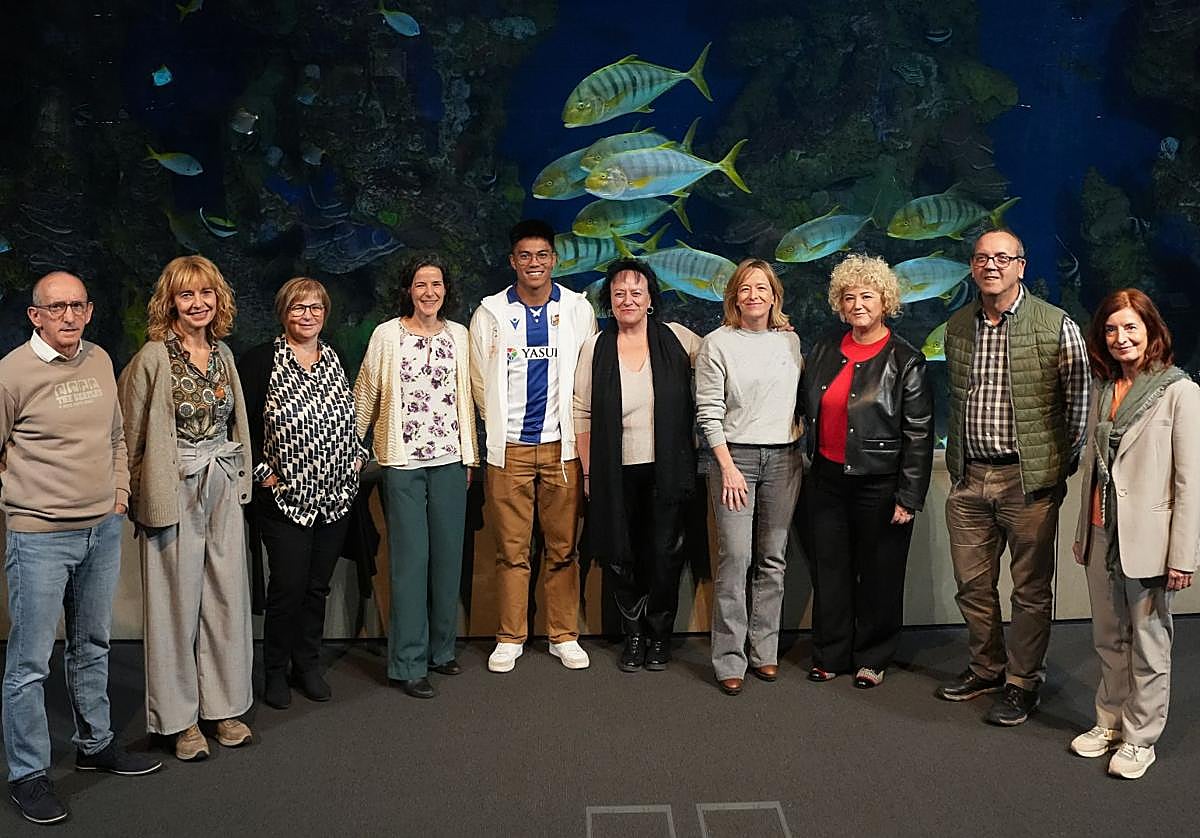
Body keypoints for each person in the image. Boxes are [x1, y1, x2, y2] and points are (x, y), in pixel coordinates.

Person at [1, 273, 162, 824]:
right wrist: (27, 501)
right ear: (35, 316)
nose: (68, 316)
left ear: (89, 311)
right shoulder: (11, 374)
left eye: (77, 305)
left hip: (101, 529)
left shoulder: (97, 360)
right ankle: (28, 773)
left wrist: (118, 494)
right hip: (40, 537)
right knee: (28, 663)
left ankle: (96, 745)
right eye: (56, 307)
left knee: (93, 642)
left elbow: (116, 436)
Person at [936, 228, 1089, 725]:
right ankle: (986, 668)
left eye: (1002, 257)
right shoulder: (958, 326)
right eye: (982, 258)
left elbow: (1078, 405)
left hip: (1028, 483)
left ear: (1021, 265)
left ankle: (1023, 682)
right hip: (970, 481)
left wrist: (1056, 467)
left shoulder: (1055, 324)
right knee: (972, 586)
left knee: (1029, 590)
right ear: (972, 267)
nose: (991, 266)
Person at [118, 255, 254, 760]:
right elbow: (128, 433)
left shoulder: (223, 354)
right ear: (170, 302)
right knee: (176, 606)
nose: (198, 304)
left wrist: (242, 479)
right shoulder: (154, 356)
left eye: (206, 294)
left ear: (218, 299)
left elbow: (236, 423)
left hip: (221, 483)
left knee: (224, 598)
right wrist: (133, 492)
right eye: (186, 295)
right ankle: (179, 721)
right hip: (171, 487)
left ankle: (223, 708)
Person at [1068, 288, 1199, 779]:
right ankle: (1111, 721)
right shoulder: (1105, 389)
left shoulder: (1178, 391)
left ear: (1151, 331)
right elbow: (1094, 470)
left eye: (1131, 328)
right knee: (1107, 636)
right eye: (1111, 329)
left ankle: (1141, 737)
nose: (1121, 338)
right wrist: (1083, 530)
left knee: (1148, 639)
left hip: (1149, 540)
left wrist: (1182, 555)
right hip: (1102, 532)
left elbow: (1190, 482)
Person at [469, 219, 597, 673]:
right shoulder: (490, 312)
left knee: (563, 549)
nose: (534, 263)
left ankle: (563, 634)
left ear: (554, 260)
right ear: (512, 262)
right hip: (510, 452)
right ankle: (510, 636)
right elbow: (479, 381)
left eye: (542, 255)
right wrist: (498, 430)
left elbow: (585, 375)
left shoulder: (579, 309)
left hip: (561, 450)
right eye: (525, 256)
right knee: (512, 550)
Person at [799, 254, 933, 688]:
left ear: (885, 301)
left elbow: (919, 434)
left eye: (867, 296)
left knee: (880, 574)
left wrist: (908, 497)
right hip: (827, 480)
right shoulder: (822, 348)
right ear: (840, 304)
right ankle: (830, 653)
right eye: (849, 297)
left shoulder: (905, 359)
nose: (857, 304)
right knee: (831, 571)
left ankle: (873, 657)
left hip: (881, 484)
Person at [240, 278, 366, 710]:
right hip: (285, 501)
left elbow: (350, 416)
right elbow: (242, 426)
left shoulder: (334, 357)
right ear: (283, 313)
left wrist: (355, 460)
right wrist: (262, 474)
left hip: (335, 499)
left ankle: (306, 665)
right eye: (298, 307)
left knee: (317, 588)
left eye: (315, 307)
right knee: (287, 588)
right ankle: (274, 670)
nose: (307, 315)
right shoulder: (261, 362)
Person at [355, 255, 478, 699]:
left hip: (450, 461)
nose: (430, 292)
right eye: (421, 284)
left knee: (448, 559)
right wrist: (352, 448)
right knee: (411, 563)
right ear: (408, 289)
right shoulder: (387, 335)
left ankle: (441, 652)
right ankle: (407, 662)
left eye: (437, 284)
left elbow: (470, 397)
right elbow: (366, 391)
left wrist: (472, 455)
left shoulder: (460, 337)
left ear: (447, 290)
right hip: (403, 463)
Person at [574, 258, 700, 672]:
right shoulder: (596, 346)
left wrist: (776, 333)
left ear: (650, 299)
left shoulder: (679, 339)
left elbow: (725, 357)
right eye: (619, 294)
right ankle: (633, 635)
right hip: (615, 472)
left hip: (667, 469)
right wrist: (589, 472)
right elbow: (581, 411)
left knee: (664, 554)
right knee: (620, 555)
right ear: (609, 301)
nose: (628, 300)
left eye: (636, 293)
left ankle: (660, 637)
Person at [696, 258, 803, 696]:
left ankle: (765, 651)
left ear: (774, 296)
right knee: (735, 559)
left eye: (762, 288)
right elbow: (708, 412)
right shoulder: (716, 344)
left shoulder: (790, 342)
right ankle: (728, 658)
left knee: (773, 559)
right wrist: (727, 467)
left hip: (785, 459)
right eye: (745, 288)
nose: (754, 295)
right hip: (733, 459)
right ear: (734, 296)